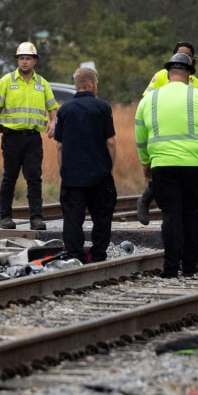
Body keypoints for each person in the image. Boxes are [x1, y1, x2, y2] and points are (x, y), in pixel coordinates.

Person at [134, 52, 198, 278]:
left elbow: (140, 135)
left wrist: (146, 162)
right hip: (193, 166)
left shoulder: (149, 99)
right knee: (191, 215)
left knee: (170, 216)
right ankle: (190, 268)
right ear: (189, 74)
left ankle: (170, 269)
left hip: (162, 165)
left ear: (168, 73)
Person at [0, 42, 59, 231]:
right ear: (18, 60)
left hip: (33, 138)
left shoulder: (42, 84)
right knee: (9, 177)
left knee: (34, 178)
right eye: (21, 58)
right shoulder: (7, 81)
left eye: (28, 58)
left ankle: (36, 218)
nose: (24, 62)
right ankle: (6, 217)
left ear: (34, 61)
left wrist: (53, 122)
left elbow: (53, 107)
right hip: (11, 138)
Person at [137, 41, 198, 226]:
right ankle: (145, 200)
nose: (185, 57)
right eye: (180, 53)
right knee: (163, 169)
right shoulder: (161, 76)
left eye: (188, 55)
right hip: (164, 129)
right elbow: (146, 99)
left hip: (187, 133)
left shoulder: (196, 82)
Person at [54, 67, 117, 262]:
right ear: (90, 84)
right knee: (102, 217)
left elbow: (59, 146)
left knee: (73, 218)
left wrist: (63, 171)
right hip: (100, 174)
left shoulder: (64, 109)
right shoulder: (103, 108)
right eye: (96, 83)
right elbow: (111, 142)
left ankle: (75, 255)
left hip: (73, 176)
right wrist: (109, 168)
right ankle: (98, 253)